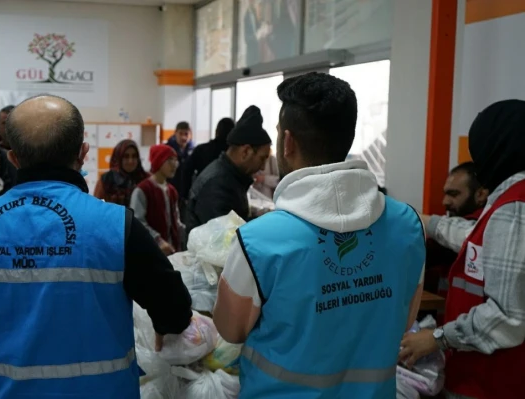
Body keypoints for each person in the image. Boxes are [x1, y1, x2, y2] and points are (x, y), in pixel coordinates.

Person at [0, 95, 192, 398]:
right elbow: (175, 310)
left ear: (13, 158)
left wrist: (10, 353)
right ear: (83, 153)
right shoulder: (116, 225)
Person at [213, 72, 425, 398]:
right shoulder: (407, 225)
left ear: (288, 142)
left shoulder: (258, 241)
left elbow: (230, 330)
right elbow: (404, 318)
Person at [400, 100, 525, 399]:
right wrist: (425, 221)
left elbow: (508, 316)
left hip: (491, 381)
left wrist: (437, 338)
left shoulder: (515, 205)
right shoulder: (510, 199)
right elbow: (478, 240)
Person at [186, 106, 271, 234]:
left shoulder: (232, 177)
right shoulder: (217, 183)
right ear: (246, 151)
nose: (263, 167)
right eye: (262, 159)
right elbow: (225, 239)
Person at [424, 162, 487, 300]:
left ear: (481, 194)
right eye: (446, 194)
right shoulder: (451, 228)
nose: (445, 202)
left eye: (454, 194)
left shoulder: (482, 228)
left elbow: (430, 252)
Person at [130, 144, 182, 256]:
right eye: (169, 160)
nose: (174, 165)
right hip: (149, 253)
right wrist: (157, 240)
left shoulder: (172, 191)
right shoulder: (142, 190)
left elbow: (176, 221)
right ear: (159, 161)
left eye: (175, 160)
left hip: (171, 252)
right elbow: (137, 222)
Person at [181, 118, 235, 199]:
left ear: (216, 131)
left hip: (202, 195)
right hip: (226, 197)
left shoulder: (201, 149)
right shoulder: (234, 154)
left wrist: (186, 196)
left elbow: (187, 172)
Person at [94, 139, 148, 206]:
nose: (130, 161)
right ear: (119, 158)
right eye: (126, 156)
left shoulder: (145, 178)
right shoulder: (107, 179)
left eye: (134, 156)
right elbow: (95, 206)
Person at [166, 122, 194, 203]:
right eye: (180, 133)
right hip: (170, 191)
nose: (183, 137)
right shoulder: (167, 149)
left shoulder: (193, 151)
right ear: (175, 133)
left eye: (186, 134)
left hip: (187, 194)